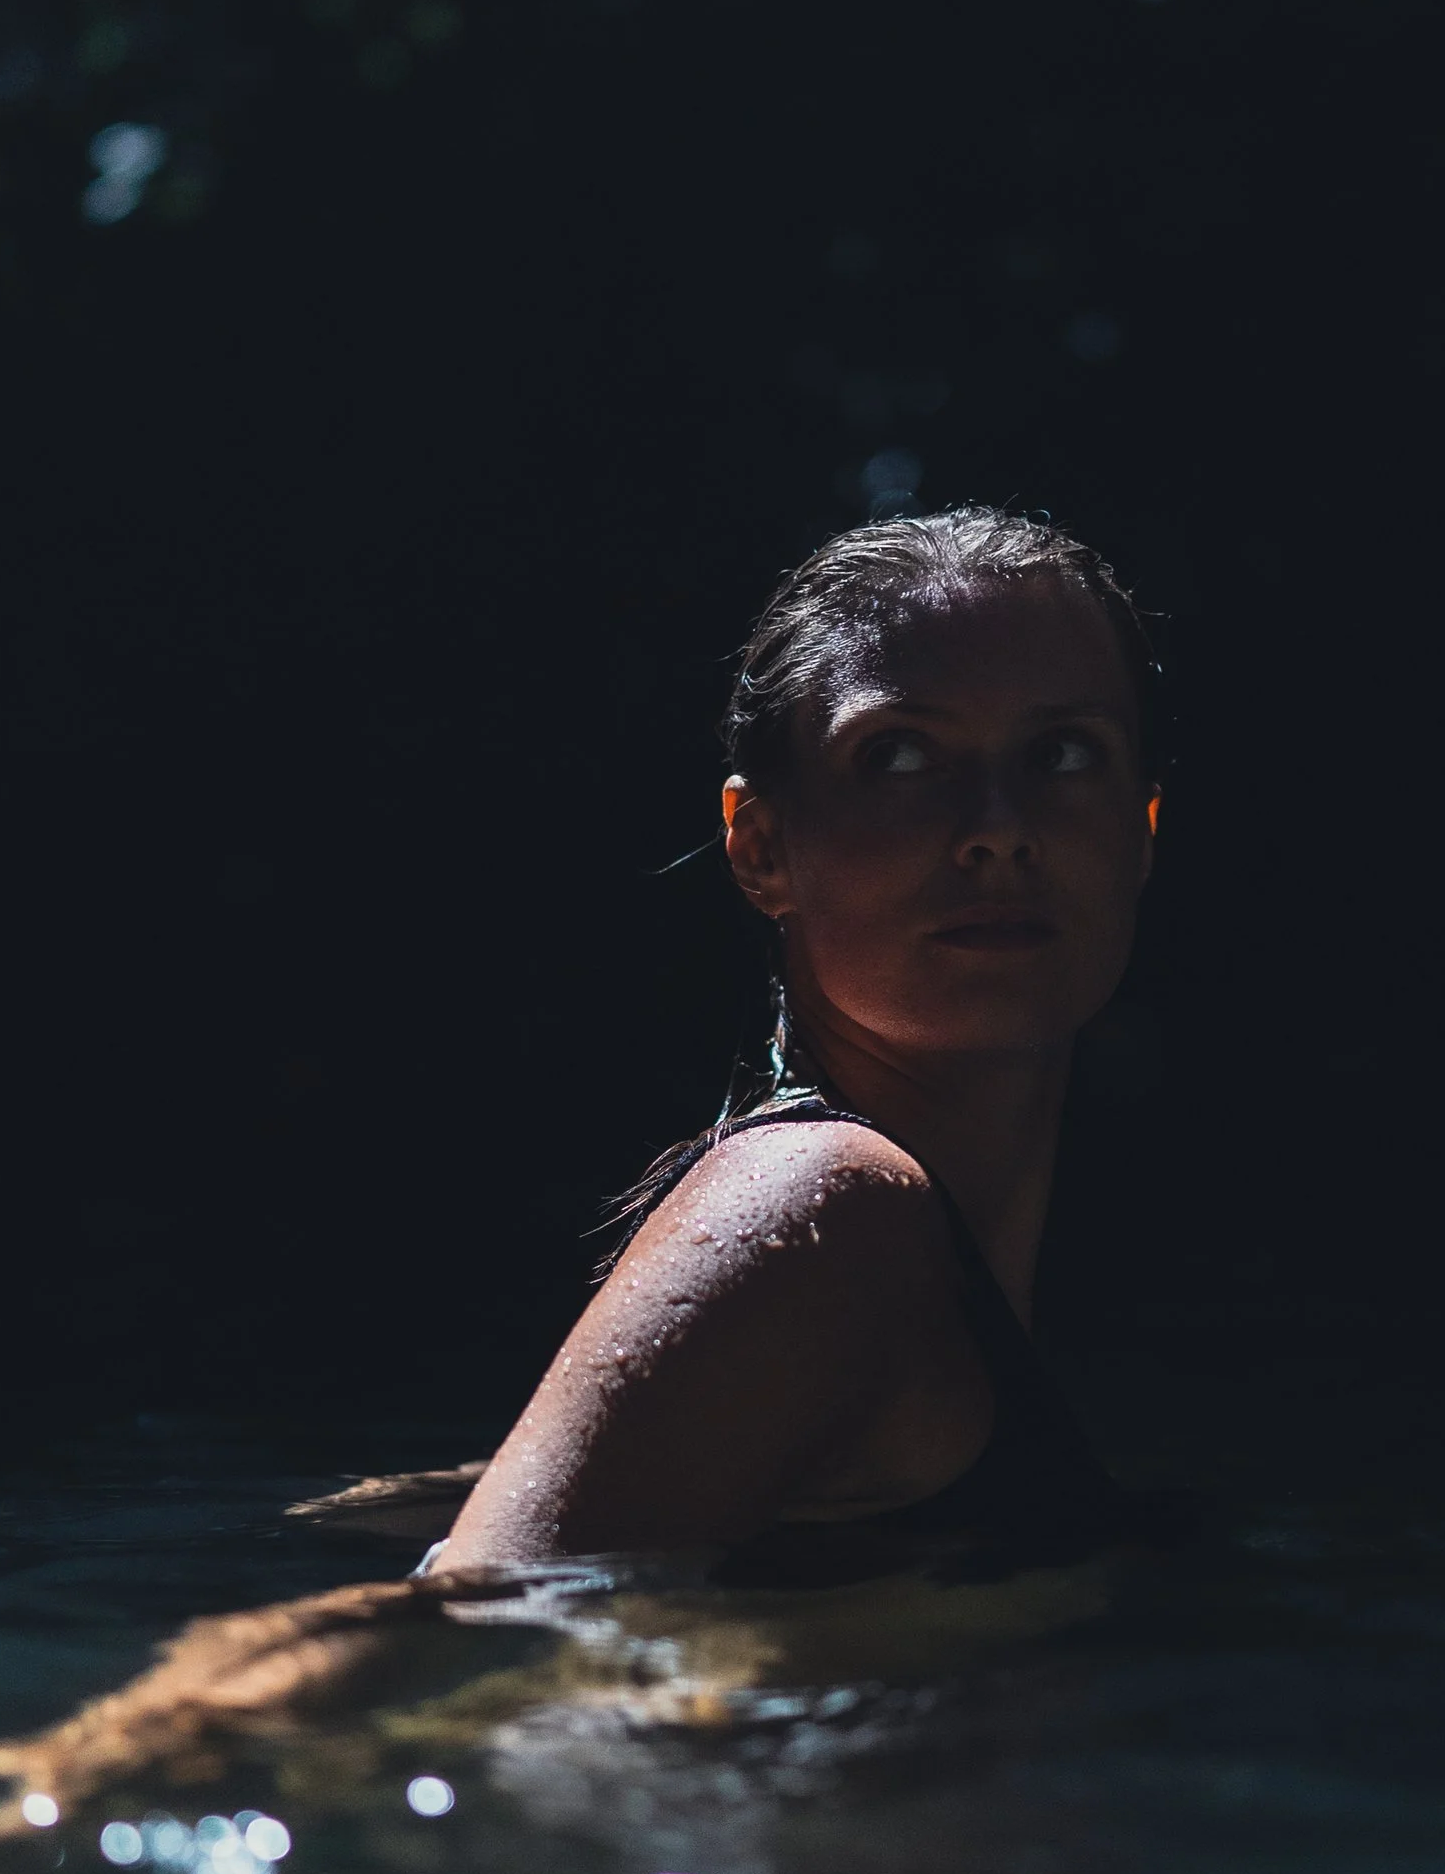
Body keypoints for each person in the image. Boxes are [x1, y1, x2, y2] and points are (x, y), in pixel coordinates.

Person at [436, 506, 1165, 1578]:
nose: (999, 827)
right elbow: (471, 1626)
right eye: (901, 754)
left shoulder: (915, 1261)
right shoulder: (825, 1209)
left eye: (1061, 753)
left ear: (1142, 831)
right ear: (760, 848)